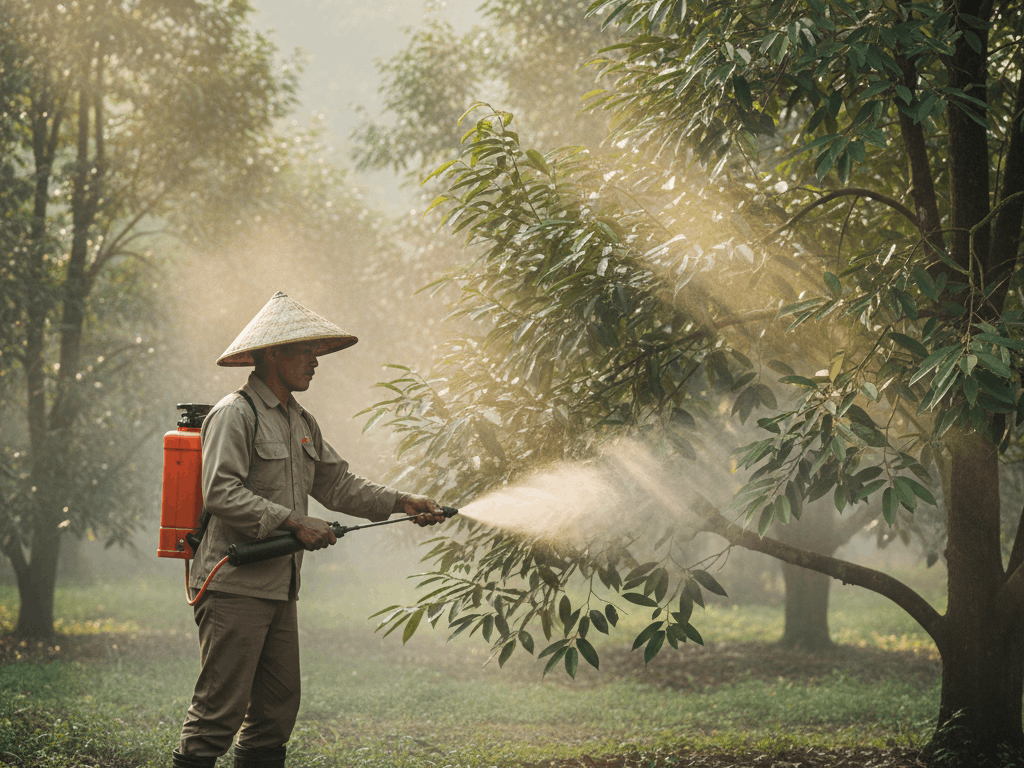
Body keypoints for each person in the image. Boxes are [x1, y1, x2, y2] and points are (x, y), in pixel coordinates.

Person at [173, 291, 446, 768]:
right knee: (218, 712)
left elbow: (337, 484)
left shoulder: (301, 421)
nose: (315, 362)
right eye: (305, 351)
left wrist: (401, 500)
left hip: (280, 586)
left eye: (316, 352)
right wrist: (296, 521)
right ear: (272, 353)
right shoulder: (235, 413)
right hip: (233, 584)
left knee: (276, 712)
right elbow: (221, 493)